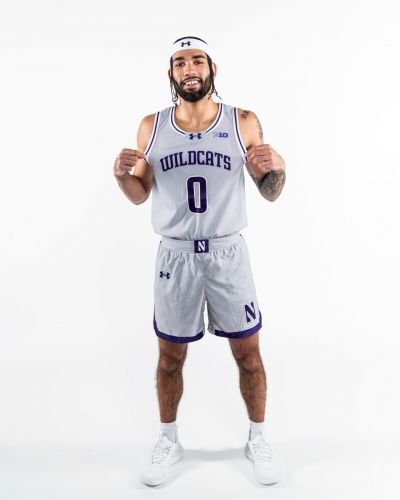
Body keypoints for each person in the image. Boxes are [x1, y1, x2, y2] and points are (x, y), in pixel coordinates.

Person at [113, 36, 286, 486]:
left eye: (196, 60)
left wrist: (278, 166)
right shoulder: (151, 126)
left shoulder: (242, 121)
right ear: (170, 74)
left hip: (228, 252)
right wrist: (121, 177)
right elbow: (139, 193)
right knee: (170, 356)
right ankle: (168, 440)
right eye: (179, 63)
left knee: (248, 353)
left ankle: (258, 439)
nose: (188, 69)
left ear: (212, 68)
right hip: (176, 255)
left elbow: (270, 190)